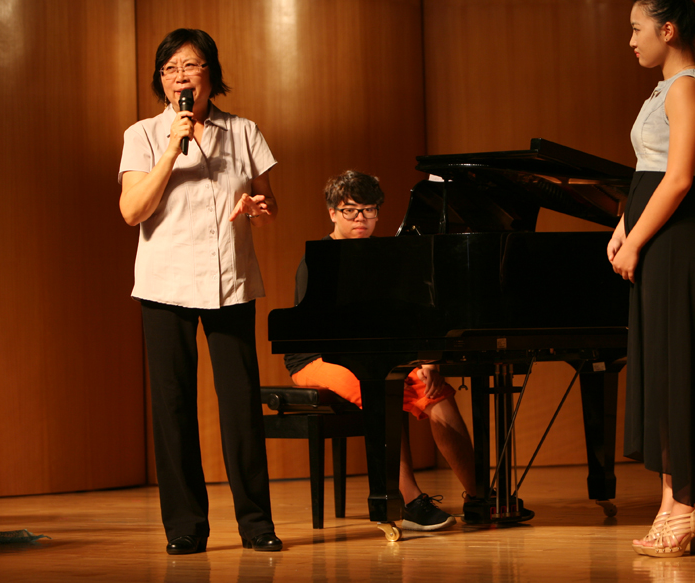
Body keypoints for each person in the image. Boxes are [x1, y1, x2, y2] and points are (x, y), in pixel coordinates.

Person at [118, 28, 282, 555]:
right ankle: (185, 526)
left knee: (240, 405)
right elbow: (132, 211)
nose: (180, 77)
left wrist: (257, 209)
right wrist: (173, 148)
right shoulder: (144, 134)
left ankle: (256, 524)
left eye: (190, 66)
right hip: (165, 283)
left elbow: (268, 204)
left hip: (229, 280)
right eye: (169, 69)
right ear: (161, 81)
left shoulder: (244, 131)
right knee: (173, 407)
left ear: (211, 74)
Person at [285, 170, 490, 531]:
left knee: (436, 391)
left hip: (377, 352)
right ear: (332, 213)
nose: (360, 219)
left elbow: (407, 315)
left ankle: (479, 497)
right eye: (350, 210)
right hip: (318, 358)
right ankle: (407, 502)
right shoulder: (319, 259)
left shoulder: (386, 254)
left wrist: (426, 359)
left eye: (369, 210)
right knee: (380, 388)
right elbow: (319, 329)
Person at [606, 0, 695, 558]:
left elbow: (678, 178)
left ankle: (688, 506)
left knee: (677, 374)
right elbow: (647, 171)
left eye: (638, 28)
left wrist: (635, 241)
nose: (631, 40)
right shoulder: (662, 89)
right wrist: (622, 226)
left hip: (677, 244)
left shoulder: (686, 88)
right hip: (656, 237)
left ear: (668, 29)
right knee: (661, 374)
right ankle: (672, 503)